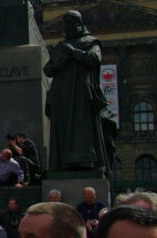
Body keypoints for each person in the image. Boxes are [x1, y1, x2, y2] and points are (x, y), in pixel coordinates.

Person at [43, 11, 116, 172]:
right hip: (61, 93)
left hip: (80, 92)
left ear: (79, 24)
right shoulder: (60, 46)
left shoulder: (90, 42)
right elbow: (47, 69)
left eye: (71, 24)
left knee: (81, 127)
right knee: (61, 128)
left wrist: (72, 52)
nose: (67, 27)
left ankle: (85, 162)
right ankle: (61, 164)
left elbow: (93, 59)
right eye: (65, 24)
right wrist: (59, 65)